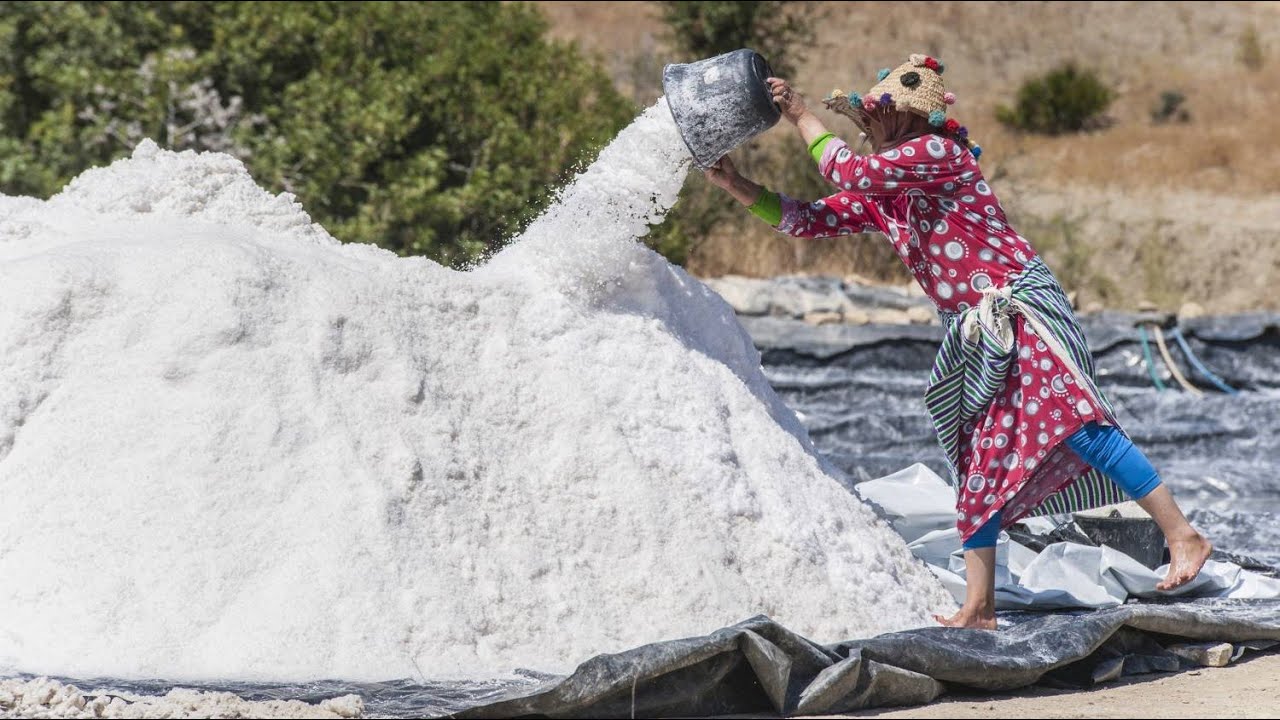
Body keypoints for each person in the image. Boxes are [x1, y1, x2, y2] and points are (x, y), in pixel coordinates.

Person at [703, 54, 1213, 630]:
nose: (863, 128)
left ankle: (1182, 533)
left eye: (870, 117)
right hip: (975, 329)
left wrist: (799, 115)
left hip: (1017, 307)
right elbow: (808, 219)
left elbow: (849, 174)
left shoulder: (937, 156)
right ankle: (981, 607)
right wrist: (736, 184)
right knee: (978, 462)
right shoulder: (893, 190)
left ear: (901, 119)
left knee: (1078, 423)